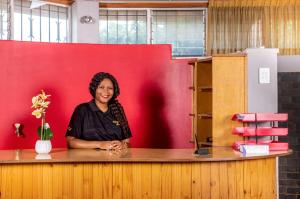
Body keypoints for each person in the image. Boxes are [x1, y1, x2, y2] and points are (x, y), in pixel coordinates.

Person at [66, 72, 132, 150]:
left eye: (110, 88)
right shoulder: (82, 110)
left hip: (114, 160)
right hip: (87, 160)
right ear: (94, 89)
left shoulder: (118, 110)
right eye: (101, 87)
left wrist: (122, 145)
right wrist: (100, 144)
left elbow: (127, 143)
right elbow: (70, 142)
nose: (106, 91)